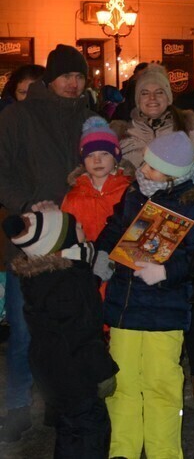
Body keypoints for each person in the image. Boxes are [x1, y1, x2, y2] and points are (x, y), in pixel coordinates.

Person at [0, 43, 96, 442]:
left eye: (79, 77)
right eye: (66, 77)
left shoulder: (91, 118)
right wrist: (25, 204)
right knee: (25, 329)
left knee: (71, 326)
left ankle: (63, 401)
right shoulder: (19, 116)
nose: (73, 84)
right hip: (31, 239)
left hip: (75, 235)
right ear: (50, 79)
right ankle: (17, 405)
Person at [94, 131, 194, 459]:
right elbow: (115, 226)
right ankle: (123, 451)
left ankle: (164, 452)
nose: (143, 168)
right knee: (123, 383)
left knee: (162, 386)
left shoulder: (193, 205)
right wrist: (102, 255)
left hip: (165, 311)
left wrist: (167, 272)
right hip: (125, 307)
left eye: (152, 166)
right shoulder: (134, 192)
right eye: (145, 161)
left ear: (173, 173)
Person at [4, 208, 116, 458]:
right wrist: (104, 372)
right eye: (76, 227)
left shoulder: (40, 277)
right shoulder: (73, 281)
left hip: (50, 374)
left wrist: (90, 275)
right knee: (92, 428)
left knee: (68, 428)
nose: (83, 230)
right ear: (61, 240)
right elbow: (85, 334)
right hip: (77, 374)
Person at [111, 63, 194, 169]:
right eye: (145, 93)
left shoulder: (188, 133)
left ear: (168, 98)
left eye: (159, 92)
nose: (152, 97)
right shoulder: (122, 136)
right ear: (138, 100)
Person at [62, 118, 132, 243]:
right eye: (90, 155)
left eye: (104, 154)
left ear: (115, 155)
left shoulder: (129, 192)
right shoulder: (73, 197)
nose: (97, 161)